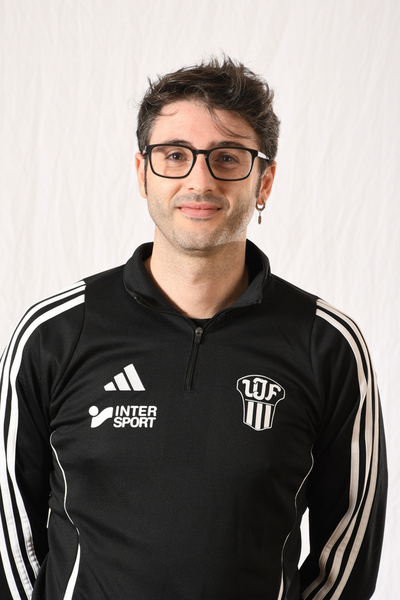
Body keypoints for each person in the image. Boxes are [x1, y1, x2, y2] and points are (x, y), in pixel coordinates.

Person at [0, 56, 387, 600]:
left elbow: (346, 558)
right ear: (143, 173)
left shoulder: (327, 345)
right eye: (175, 155)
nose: (199, 180)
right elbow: (9, 538)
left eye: (227, 157)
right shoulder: (54, 334)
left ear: (264, 181)